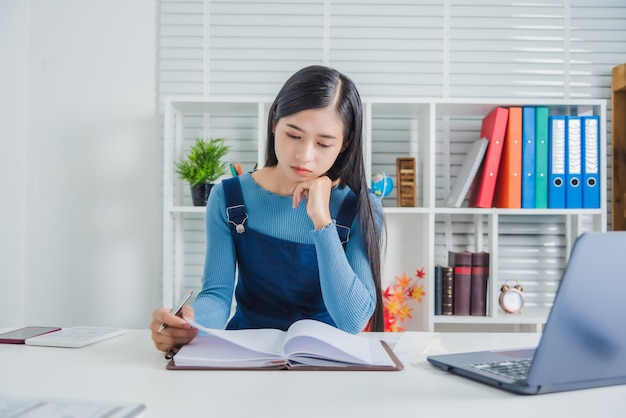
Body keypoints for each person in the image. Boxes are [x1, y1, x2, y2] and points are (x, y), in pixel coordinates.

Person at [150, 65, 385, 352]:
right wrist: (188, 323)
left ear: (344, 144)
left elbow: (353, 320)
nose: (304, 155)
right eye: (293, 135)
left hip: (325, 363)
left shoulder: (361, 207)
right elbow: (216, 296)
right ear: (274, 121)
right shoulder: (228, 197)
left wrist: (322, 221)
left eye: (324, 143)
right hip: (247, 358)